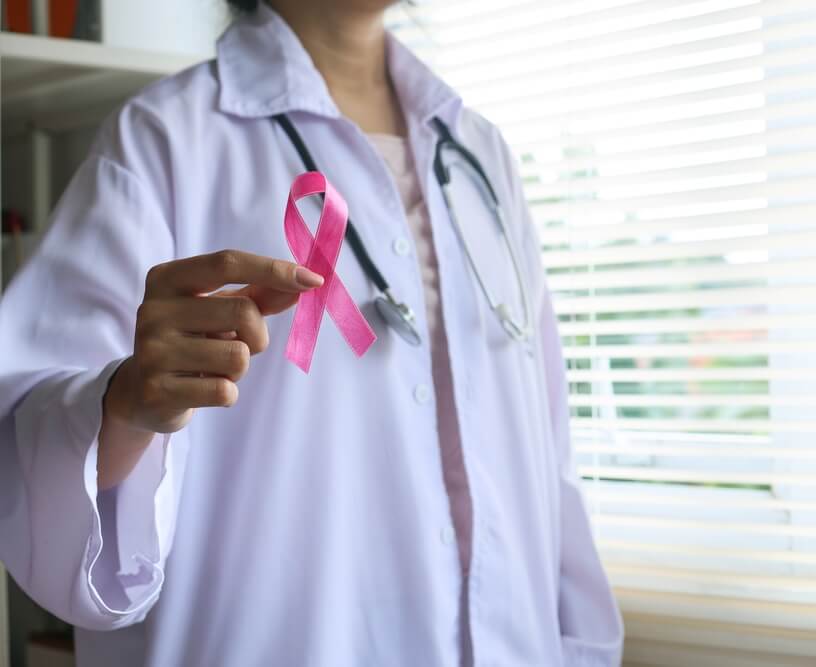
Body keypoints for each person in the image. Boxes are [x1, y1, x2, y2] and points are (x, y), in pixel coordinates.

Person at [0, 0, 623, 664]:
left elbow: (547, 454)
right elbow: (25, 441)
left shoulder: (480, 156)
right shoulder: (165, 140)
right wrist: (125, 404)